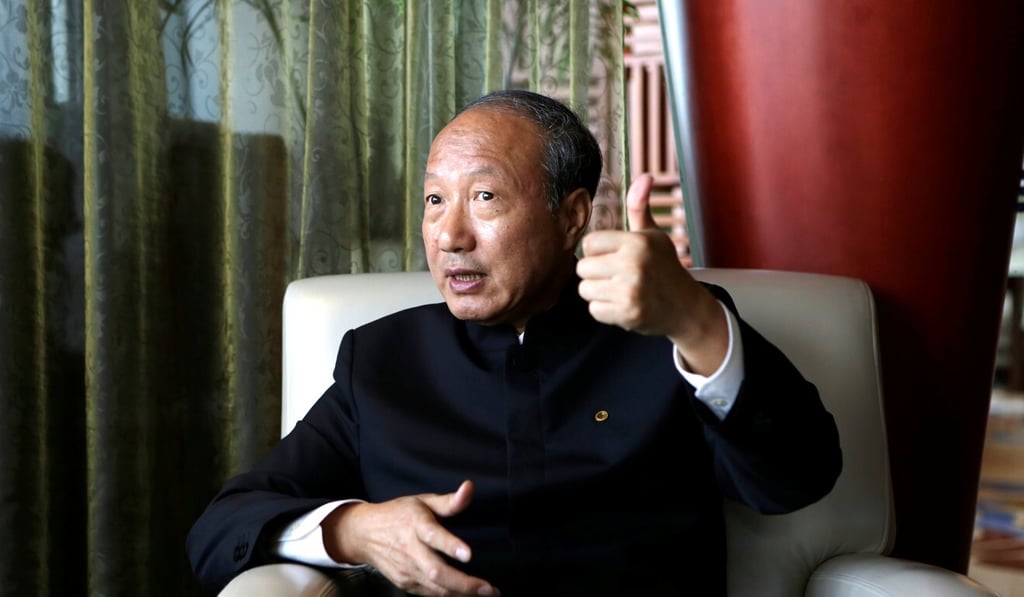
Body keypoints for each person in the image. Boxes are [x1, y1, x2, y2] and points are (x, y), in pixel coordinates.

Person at [187, 89, 842, 596]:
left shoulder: (671, 329)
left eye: (485, 196)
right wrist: (355, 529)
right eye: (434, 200)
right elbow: (222, 527)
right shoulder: (383, 359)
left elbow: (798, 478)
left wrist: (694, 320)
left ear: (572, 216)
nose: (450, 234)